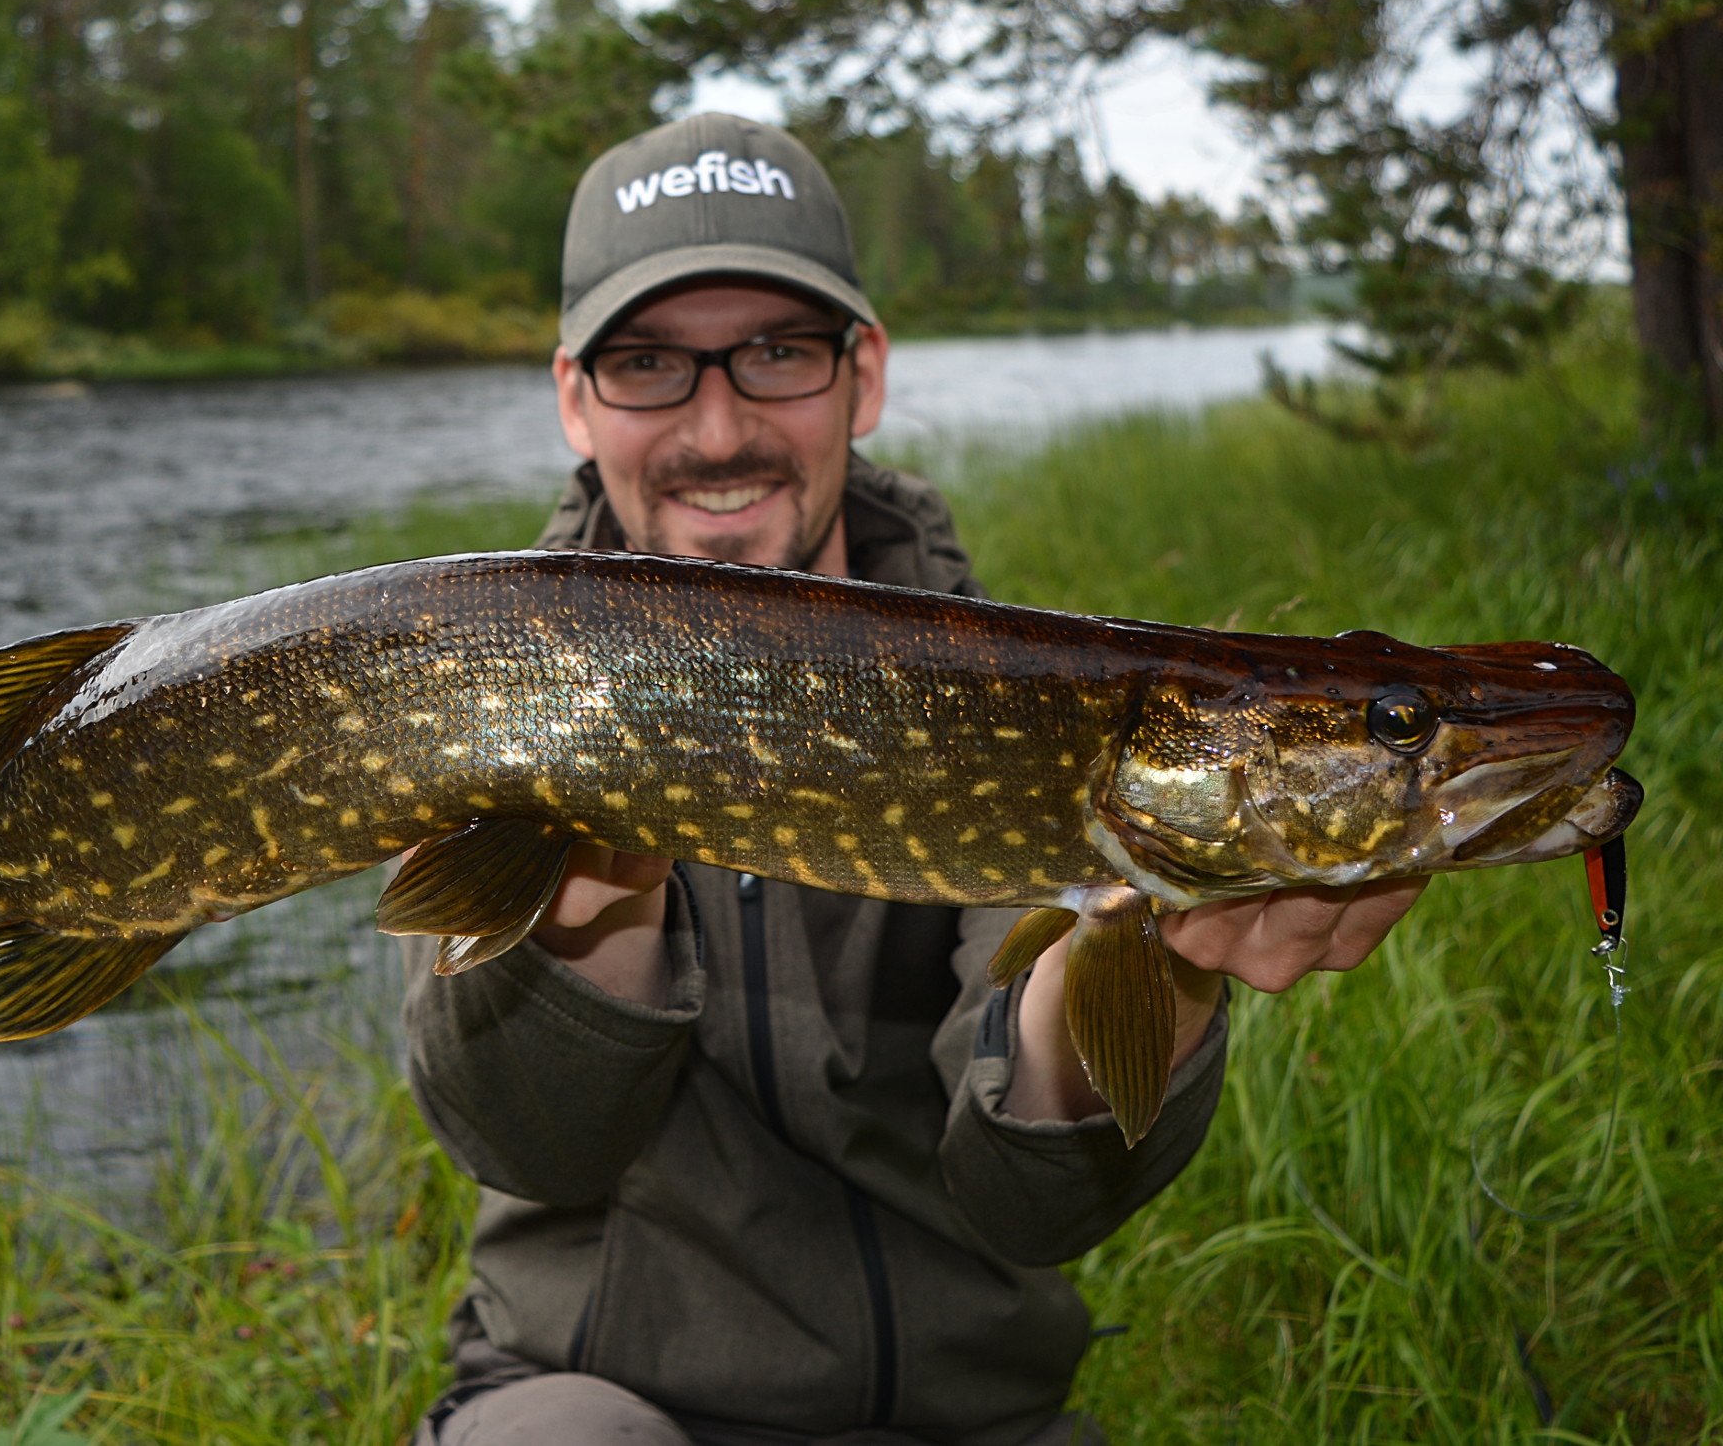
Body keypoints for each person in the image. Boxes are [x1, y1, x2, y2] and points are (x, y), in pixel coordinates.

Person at [403, 113, 1425, 1446]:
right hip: (606, 1400)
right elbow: (531, 1144)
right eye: (649, 364)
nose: (718, 429)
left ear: (862, 376)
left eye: (777, 354)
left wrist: (1159, 964)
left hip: (965, 1418)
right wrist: (595, 892)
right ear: (573, 398)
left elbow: (1039, 1204)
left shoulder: (1023, 707)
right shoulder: (481, 679)